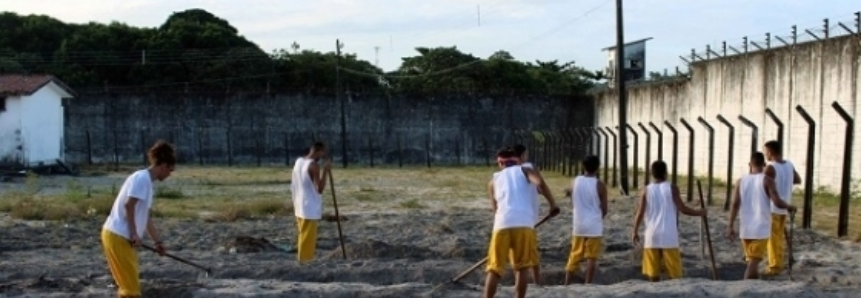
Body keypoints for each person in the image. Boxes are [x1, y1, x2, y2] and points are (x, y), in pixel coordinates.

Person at [101, 140, 176, 298]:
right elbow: (129, 206)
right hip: (118, 235)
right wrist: (134, 233)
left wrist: (158, 242)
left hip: (121, 238)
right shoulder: (141, 178)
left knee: (129, 286)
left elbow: (146, 216)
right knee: (131, 290)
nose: (170, 174)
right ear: (163, 166)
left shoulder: (147, 182)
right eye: (170, 170)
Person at [484, 147, 560, 298]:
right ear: (515, 160)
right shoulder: (524, 171)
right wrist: (553, 204)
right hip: (524, 224)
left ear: (500, 163)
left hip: (501, 225)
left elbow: (495, 210)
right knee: (521, 268)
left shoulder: (493, 181)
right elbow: (540, 183)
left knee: (494, 269)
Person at [631, 160, 706, 282]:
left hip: (652, 234)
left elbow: (640, 212)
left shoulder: (646, 190)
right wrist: (699, 212)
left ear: (652, 173)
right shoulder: (671, 188)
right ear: (665, 173)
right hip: (668, 234)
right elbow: (682, 208)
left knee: (653, 273)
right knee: (674, 273)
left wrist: (634, 230)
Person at [728, 152, 797, 279]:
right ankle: (745, 286)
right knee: (753, 263)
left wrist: (731, 225)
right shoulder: (768, 181)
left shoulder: (740, 181)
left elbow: (735, 204)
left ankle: (753, 282)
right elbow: (776, 201)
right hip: (761, 228)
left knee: (752, 260)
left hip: (746, 228)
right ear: (764, 165)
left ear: (750, 164)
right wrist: (789, 207)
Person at [564, 155, 608, 285]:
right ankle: (588, 283)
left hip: (579, 223)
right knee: (591, 257)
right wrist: (599, 218)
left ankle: (567, 281)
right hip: (594, 224)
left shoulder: (575, 181)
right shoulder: (600, 185)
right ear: (598, 168)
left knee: (575, 254)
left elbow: (573, 202)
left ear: (583, 166)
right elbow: (604, 209)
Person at [762, 140, 801, 276]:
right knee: (778, 237)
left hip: (773, 206)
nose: (765, 154)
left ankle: (774, 266)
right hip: (785, 205)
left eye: (765, 151)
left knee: (772, 238)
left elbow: (763, 184)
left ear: (771, 152)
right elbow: (797, 179)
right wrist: (785, 180)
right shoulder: (789, 165)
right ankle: (779, 262)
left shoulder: (770, 167)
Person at [291, 142, 331, 263]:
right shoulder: (313, 166)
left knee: (302, 234)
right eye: (323, 152)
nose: (323, 155)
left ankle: (302, 258)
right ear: (318, 151)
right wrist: (325, 171)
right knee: (308, 237)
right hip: (309, 207)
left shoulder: (299, 162)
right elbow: (319, 189)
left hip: (299, 204)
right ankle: (305, 260)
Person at [512, 144, 543, 285]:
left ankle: (517, 280)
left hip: (512, 217)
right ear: (523, 155)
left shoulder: (507, 172)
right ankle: (536, 282)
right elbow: (540, 186)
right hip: (528, 217)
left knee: (515, 253)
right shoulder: (529, 168)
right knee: (532, 252)